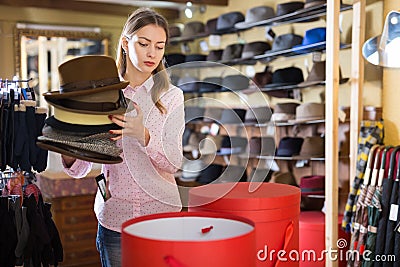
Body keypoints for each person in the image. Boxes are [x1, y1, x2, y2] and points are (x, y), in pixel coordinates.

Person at [61, 7, 185, 267]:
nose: (152, 53)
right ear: (126, 44)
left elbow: (174, 163)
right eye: (144, 43)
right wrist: (67, 140)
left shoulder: (172, 97)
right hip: (115, 219)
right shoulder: (101, 94)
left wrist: (144, 135)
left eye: (159, 46)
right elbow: (80, 167)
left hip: (161, 217)